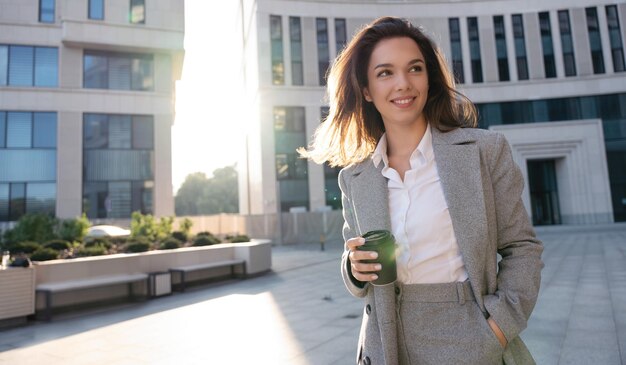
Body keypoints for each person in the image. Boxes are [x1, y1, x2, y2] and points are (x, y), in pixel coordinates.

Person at [299, 17, 543, 365]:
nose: (403, 84)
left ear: (429, 78)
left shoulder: (484, 152)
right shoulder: (356, 177)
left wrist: (497, 327)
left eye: (415, 68)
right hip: (386, 343)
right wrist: (354, 267)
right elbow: (354, 260)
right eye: (385, 73)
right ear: (366, 90)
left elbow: (522, 248)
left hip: (472, 340)